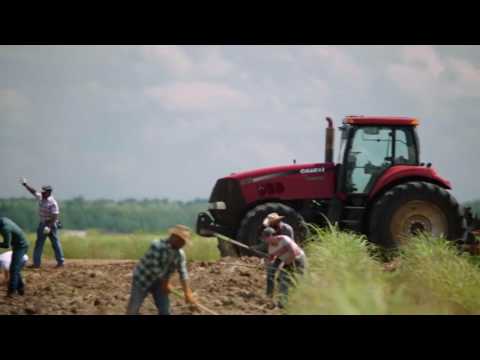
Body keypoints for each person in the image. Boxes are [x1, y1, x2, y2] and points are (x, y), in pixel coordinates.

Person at [126, 225, 199, 315]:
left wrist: (188, 294)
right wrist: (166, 283)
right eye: (182, 241)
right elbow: (155, 269)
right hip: (143, 279)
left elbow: (183, 273)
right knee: (133, 308)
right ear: (174, 238)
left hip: (160, 283)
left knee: (165, 311)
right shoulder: (157, 246)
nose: (183, 244)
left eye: (184, 242)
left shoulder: (180, 254)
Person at [20, 178, 64, 268]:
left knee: (55, 243)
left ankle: (61, 262)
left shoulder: (53, 203)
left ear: (49, 192)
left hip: (51, 225)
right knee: (39, 244)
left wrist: (49, 226)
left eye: (44, 192)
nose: (42, 193)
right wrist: (25, 184)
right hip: (42, 224)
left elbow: (55, 216)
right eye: (42, 192)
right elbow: (33, 192)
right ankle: (36, 264)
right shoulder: (41, 197)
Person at [261, 227, 306, 308]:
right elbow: (272, 259)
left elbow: (294, 254)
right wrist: (268, 264)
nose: (266, 241)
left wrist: (282, 265)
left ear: (272, 235)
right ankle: (272, 298)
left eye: (267, 238)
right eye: (264, 239)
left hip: (298, 259)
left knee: (289, 279)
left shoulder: (285, 240)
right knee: (276, 276)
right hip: (285, 260)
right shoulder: (270, 248)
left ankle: (286, 303)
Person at [260, 213, 295, 297]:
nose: (270, 225)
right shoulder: (272, 230)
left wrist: (282, 260)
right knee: (270, 273)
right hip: (278, 255)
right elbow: (268, 244)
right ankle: (269, 295)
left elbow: (290, 247)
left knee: (283, 277)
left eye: (271, 223)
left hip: (290, 255)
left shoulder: (287, 229)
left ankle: (288, 296)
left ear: (277, 222)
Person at [0, 217, 29, 297]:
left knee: (13, 269)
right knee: (15, 268)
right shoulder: (3, 220)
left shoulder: (5, 228)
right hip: (18, 245)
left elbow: (6, 245)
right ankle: (21, 288)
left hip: (21, 246)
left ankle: (12, 291)